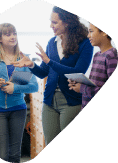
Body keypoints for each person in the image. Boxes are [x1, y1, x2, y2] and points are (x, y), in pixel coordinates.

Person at [12, 6, 93, 146]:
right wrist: (31, 65)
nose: (51, 26)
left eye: (54, 22)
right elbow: (44, 72)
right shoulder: (52, 42)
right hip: (49, 100)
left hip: (71, 100)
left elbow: (77, 71)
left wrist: (49, 61)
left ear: (67, 22)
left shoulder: (85, 43)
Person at [0, 23, 38, 162]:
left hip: (18, 109)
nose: (13, 37)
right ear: (0, 38)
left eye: (14, 33)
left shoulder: (24, 58)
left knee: (15, 155)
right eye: (8, 34)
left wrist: (15, 88)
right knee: (1, 155)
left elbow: (34, 86)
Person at [68, 23, 118, 109]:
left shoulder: (112, 55)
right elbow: (96, 84)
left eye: (91, 31)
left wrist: (83, 88)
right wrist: (79, 83)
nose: (88, 36)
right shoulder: (97, 55)